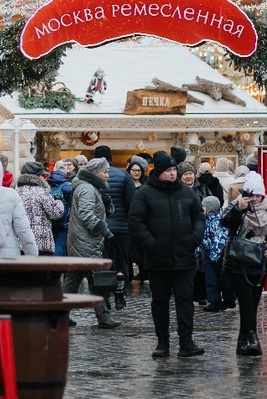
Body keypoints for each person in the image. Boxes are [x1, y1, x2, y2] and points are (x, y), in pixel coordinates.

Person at [129, 152, 205, 358]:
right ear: (159, 172)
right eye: (168, 171)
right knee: (160, 301)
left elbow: (198, 216)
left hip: (184, 256)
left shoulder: (186, 193)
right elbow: (136, 222)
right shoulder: (144, 193)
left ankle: (186, 342)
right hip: (157, 258)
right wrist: (151, 244)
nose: (173, 174)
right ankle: (163, 342)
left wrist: (194, 238)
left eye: (174, 170)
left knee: (185, 300)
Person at [220, 172, 267, 357]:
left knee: (252, 304)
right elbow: (225, 222)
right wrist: (239, 208)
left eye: (257, 195)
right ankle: (253, 338)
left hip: (259, 262)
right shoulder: (238, 205)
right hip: (237, 261)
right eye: (251, 194)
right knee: (246, 301)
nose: (254, 199)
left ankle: (242, 343)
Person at [63, 158, 122, 329]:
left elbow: (94, 211)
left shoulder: (90, 187)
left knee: (76, 280)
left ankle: (61, 315)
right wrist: (106, 231)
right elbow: (87, 214)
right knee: (96, 280)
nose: (108, 175)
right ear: (95, 173)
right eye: (105, 172)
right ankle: (103, 317)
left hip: (83, 241)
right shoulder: (87, 189)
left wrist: (106, 204)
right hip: (85, 241)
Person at [93, 145, 136, 309]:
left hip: (99, 229)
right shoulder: (124, 176)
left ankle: (105, 297)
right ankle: (120, 295)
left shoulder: (91, 177)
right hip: (121, 228)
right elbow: (131, 203)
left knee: (104, 264)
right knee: (121, 262)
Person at [14, 161, 64, 256]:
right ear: (37, 176)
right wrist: (58, 201)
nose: (45, 179)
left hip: (20, 243)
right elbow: (56, 213)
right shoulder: (42, 192)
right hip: (41, 244)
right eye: (43, 176)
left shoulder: (15, 192)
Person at [199, 195, 236, 312]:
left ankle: (229, 300)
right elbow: (203, 239)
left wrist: (214, 254)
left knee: (223, 279)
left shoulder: (219, 221)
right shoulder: (204, 221)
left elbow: (219, 239)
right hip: (208, 254)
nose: (201, 209)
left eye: (203, 207)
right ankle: (214, 301)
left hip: (219, 254)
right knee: (210, 279)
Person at [48, 163, 74, 256]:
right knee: (60, 245)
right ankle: (57, 267)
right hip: (64, 222)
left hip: (50, 220)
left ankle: (49, 267)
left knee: (50, 245)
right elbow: (73, 203)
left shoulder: (48, 184)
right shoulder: (67, 186)